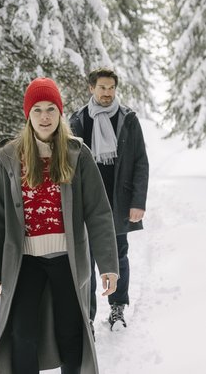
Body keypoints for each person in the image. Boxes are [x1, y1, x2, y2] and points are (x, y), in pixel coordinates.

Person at [0, 77, 119, 374]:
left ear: (60, 113)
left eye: (50, 109)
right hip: (25, 263)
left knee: (70, 336)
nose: (44, 117)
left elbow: (98, 212)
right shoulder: (11, 157)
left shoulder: (77, 154)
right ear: (28, 115)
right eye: (37, 110)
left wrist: (108, 264)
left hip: (67, 262)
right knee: (22, 336)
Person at [69, 67, 149, 330]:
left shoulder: (128, 119)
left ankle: (117, 308)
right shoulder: (78, 121)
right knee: (87, 259)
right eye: (102, 87)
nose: (107, 93)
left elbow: (140, 162)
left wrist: (137, 202)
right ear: (91, 88)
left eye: (111, 88)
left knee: (118, 255)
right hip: (87, 203)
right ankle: (87, 317)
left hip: (117, 202)